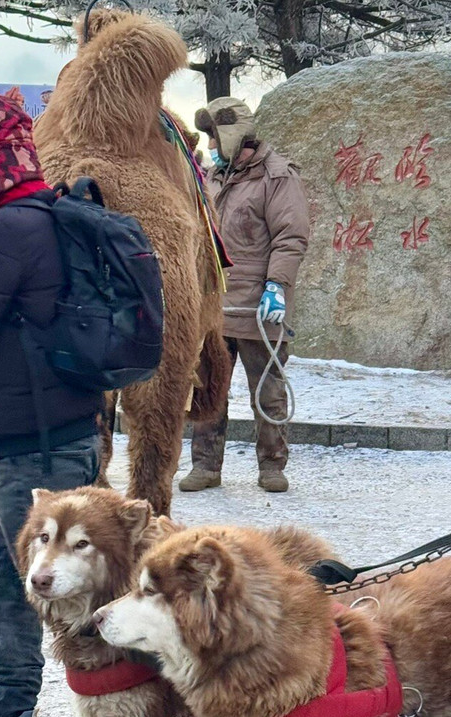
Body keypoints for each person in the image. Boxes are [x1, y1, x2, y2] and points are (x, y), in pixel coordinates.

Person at [0, 93, 101, 717]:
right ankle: (9, 710)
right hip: (62, 430)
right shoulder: (43, 212)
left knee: (64, 584)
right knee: (10, 573)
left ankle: (104, 716)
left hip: (36, 445)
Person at [182, 98, 310, 494]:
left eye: (214, 135)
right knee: (206, 387)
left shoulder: (277, 176)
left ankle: (272, 465)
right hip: (214, 304)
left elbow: (291, 237)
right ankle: (205, 465)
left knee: (267, 390)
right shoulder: (212, 175)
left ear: (234, 134)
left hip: (259, 306)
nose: (210, 143)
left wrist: (277, 286)